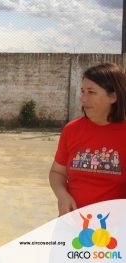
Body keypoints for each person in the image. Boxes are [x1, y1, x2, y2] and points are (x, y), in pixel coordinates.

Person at [49, 63, 126, 216]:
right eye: (83, 91)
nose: (83, 98)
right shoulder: (71, 130)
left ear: (113, 96)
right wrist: (62, 196)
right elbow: (57, 172)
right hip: (71, 226)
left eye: (91, 92)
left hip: (114, 231)